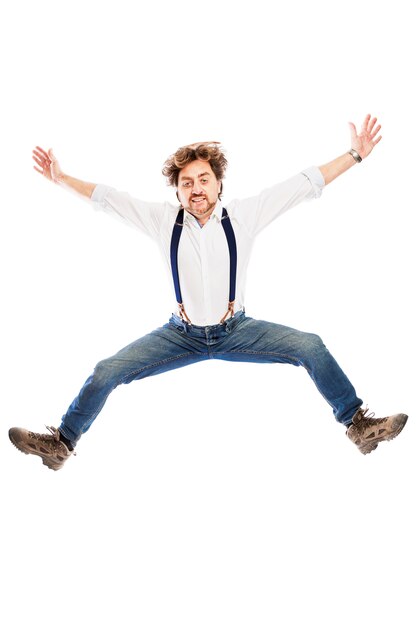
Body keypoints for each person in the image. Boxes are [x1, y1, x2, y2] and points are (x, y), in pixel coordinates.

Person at [9, 115, 408, 470]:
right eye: (187, 183)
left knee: (311, 346)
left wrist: (354, 155)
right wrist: (60, 179)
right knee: (105, 371)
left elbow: (304, 185)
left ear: (219, 184)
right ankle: (62, 444)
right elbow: (107, 199)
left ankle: (358, 425)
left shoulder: (244, 216)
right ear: (178, 191)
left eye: (203, 180)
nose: (196, 189)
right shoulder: (163, 221)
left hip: (237, 330)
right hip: (178, 335)